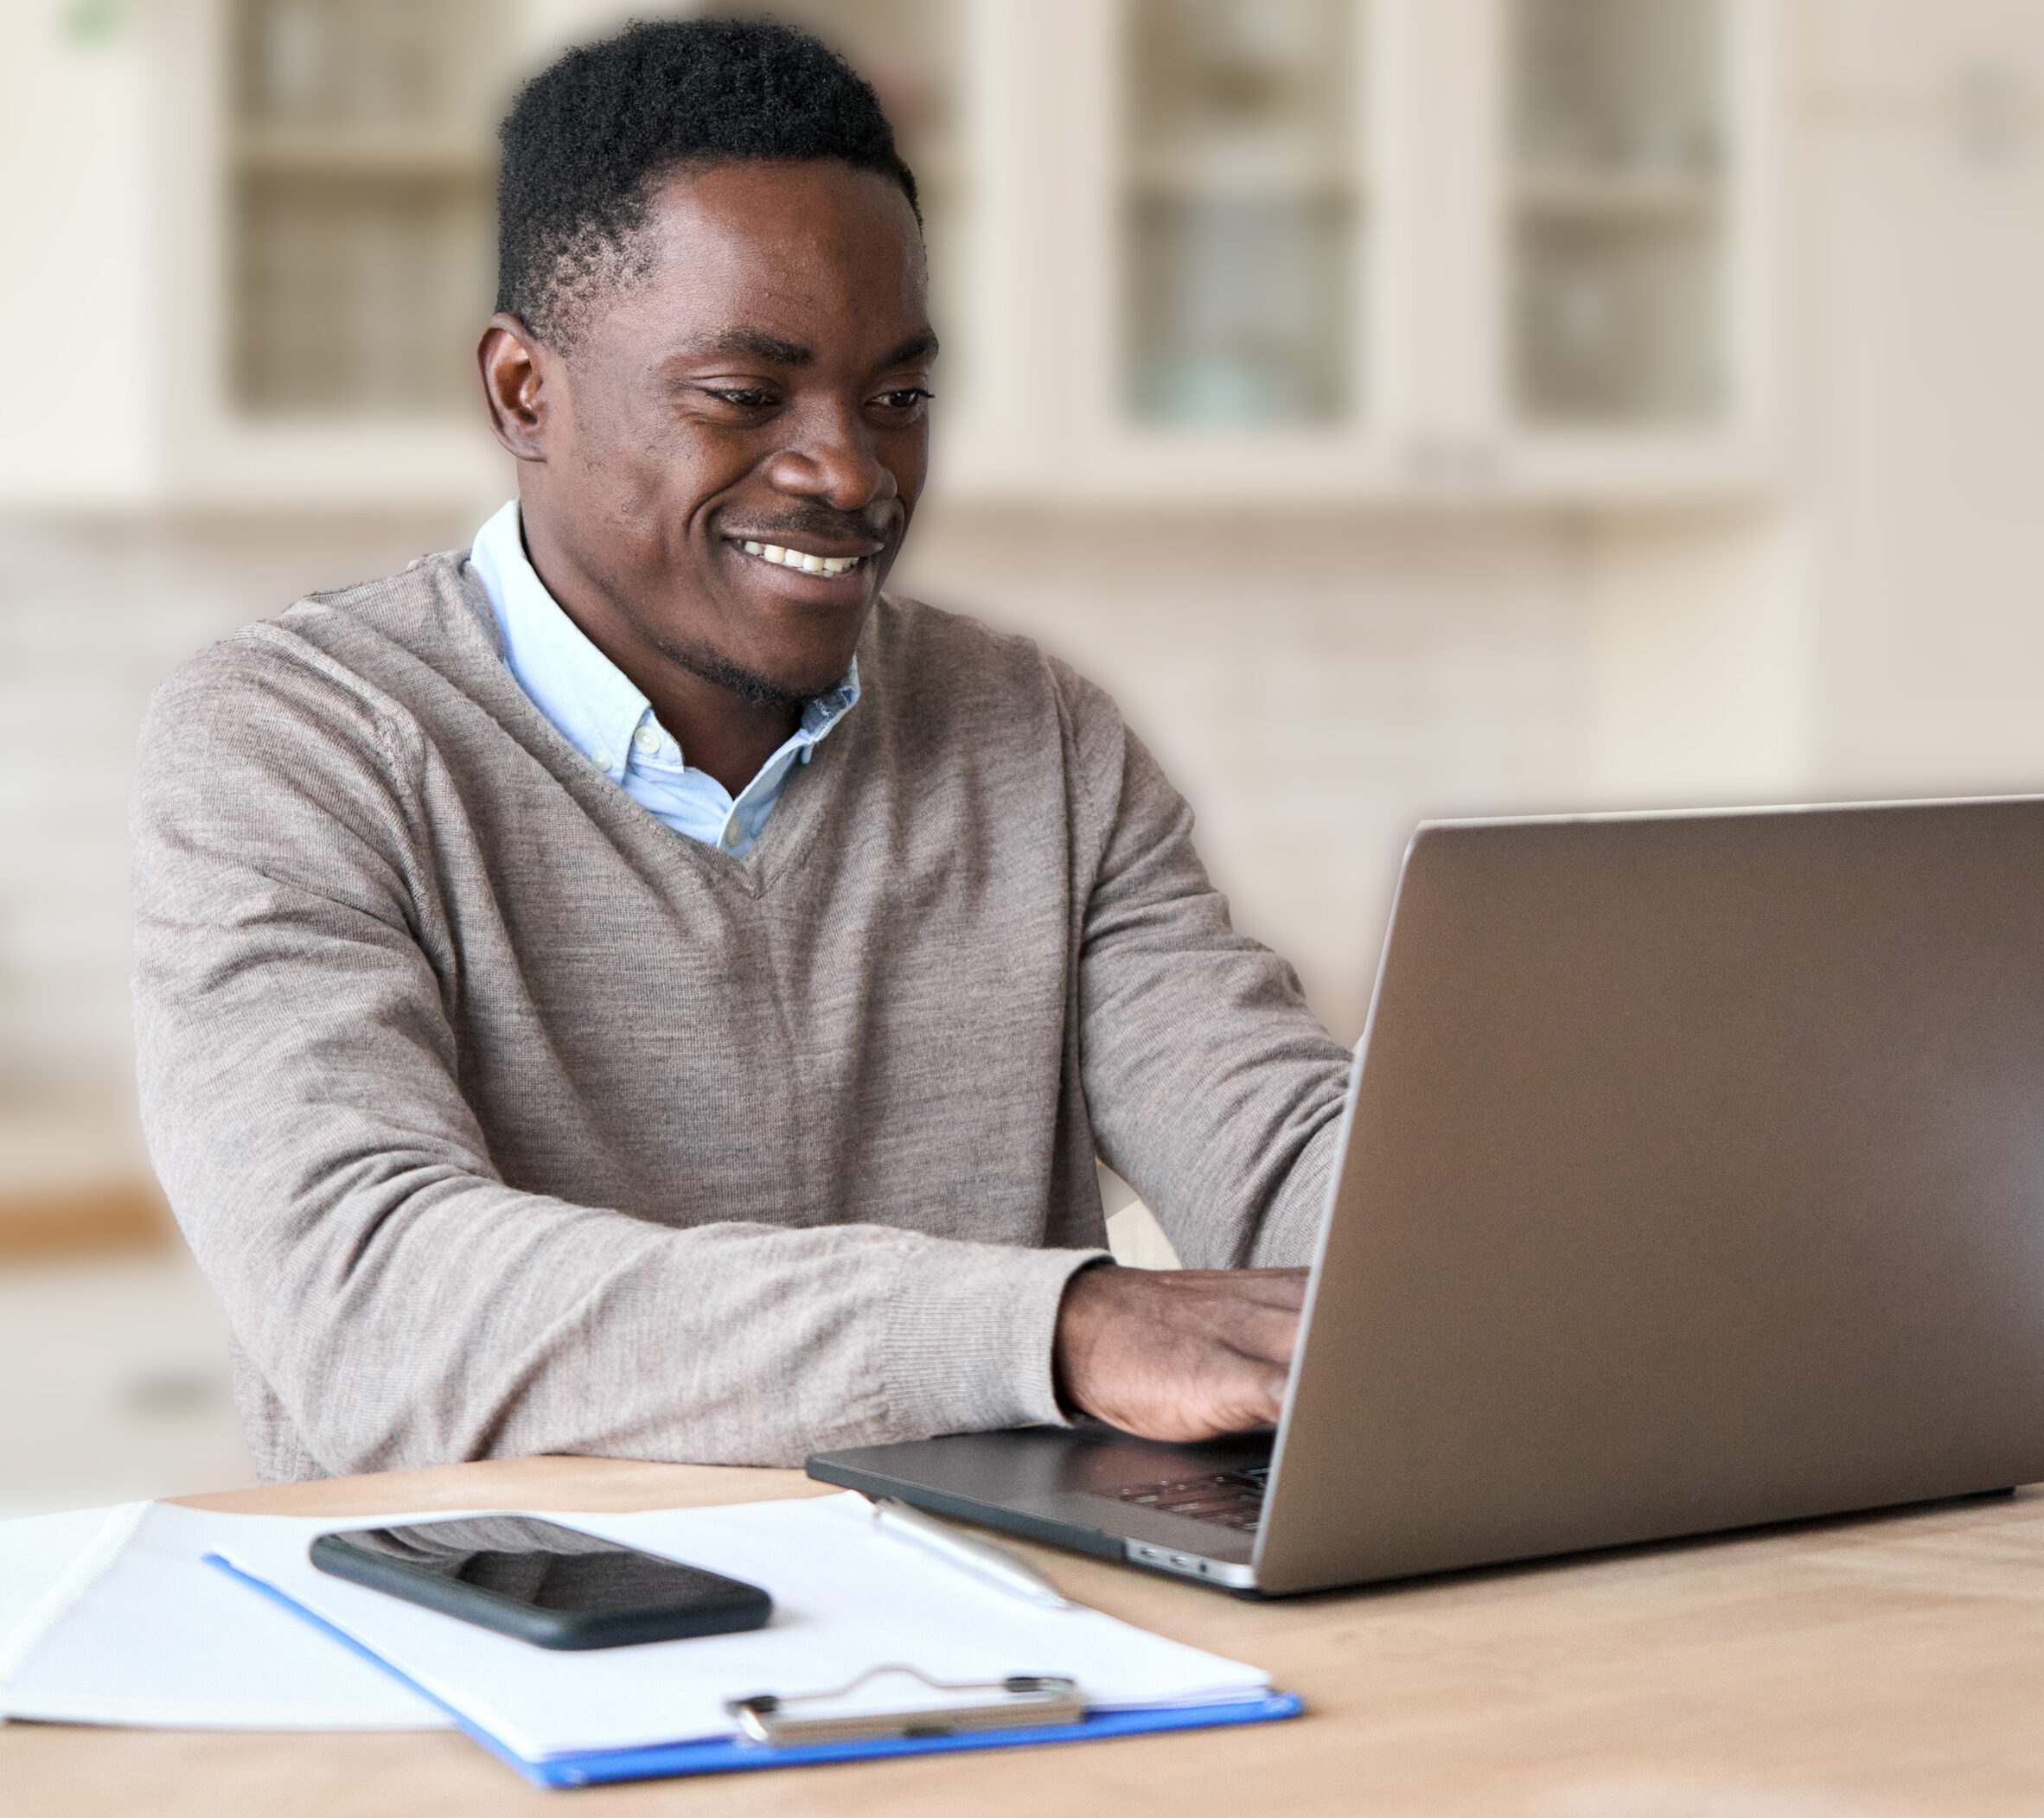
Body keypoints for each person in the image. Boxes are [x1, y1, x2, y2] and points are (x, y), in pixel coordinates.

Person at [131, 17, 1346, 1483]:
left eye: (897, 397)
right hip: (502, 1668)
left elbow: (1281, 1152)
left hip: (1010, 1643)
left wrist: (1515, 1248)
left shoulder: (1039, 736)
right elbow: (374, 1302)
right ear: (524, 391)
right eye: (743, 398)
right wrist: (1054, 1325)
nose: (851, 471)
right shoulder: (297, 739)